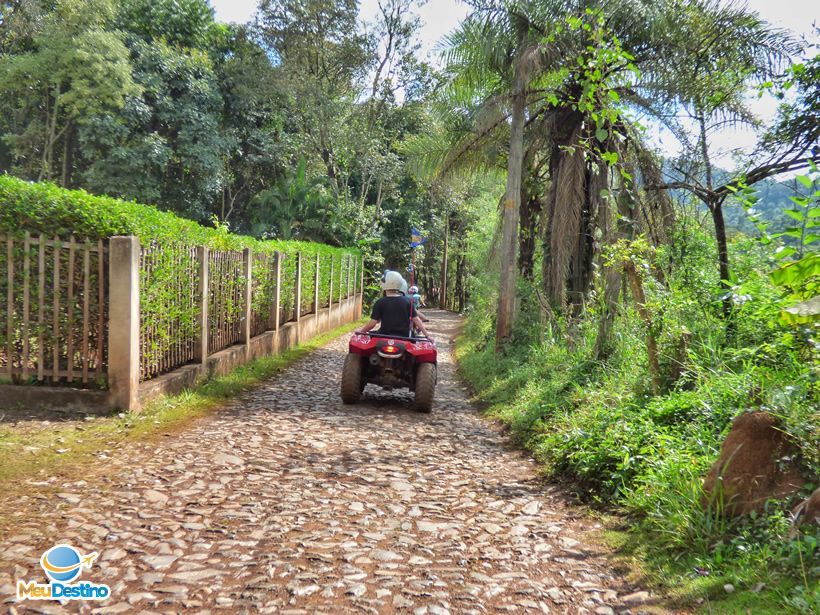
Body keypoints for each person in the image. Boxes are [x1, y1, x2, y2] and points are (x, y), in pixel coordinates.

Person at [356, 270, 433, 340]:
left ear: (384, 284)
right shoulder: (408, 301)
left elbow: (373, 323)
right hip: (405, 337)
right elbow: (416, 320)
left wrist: (361, 331)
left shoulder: (380, 302)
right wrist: (427, 335)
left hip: (384, 336)